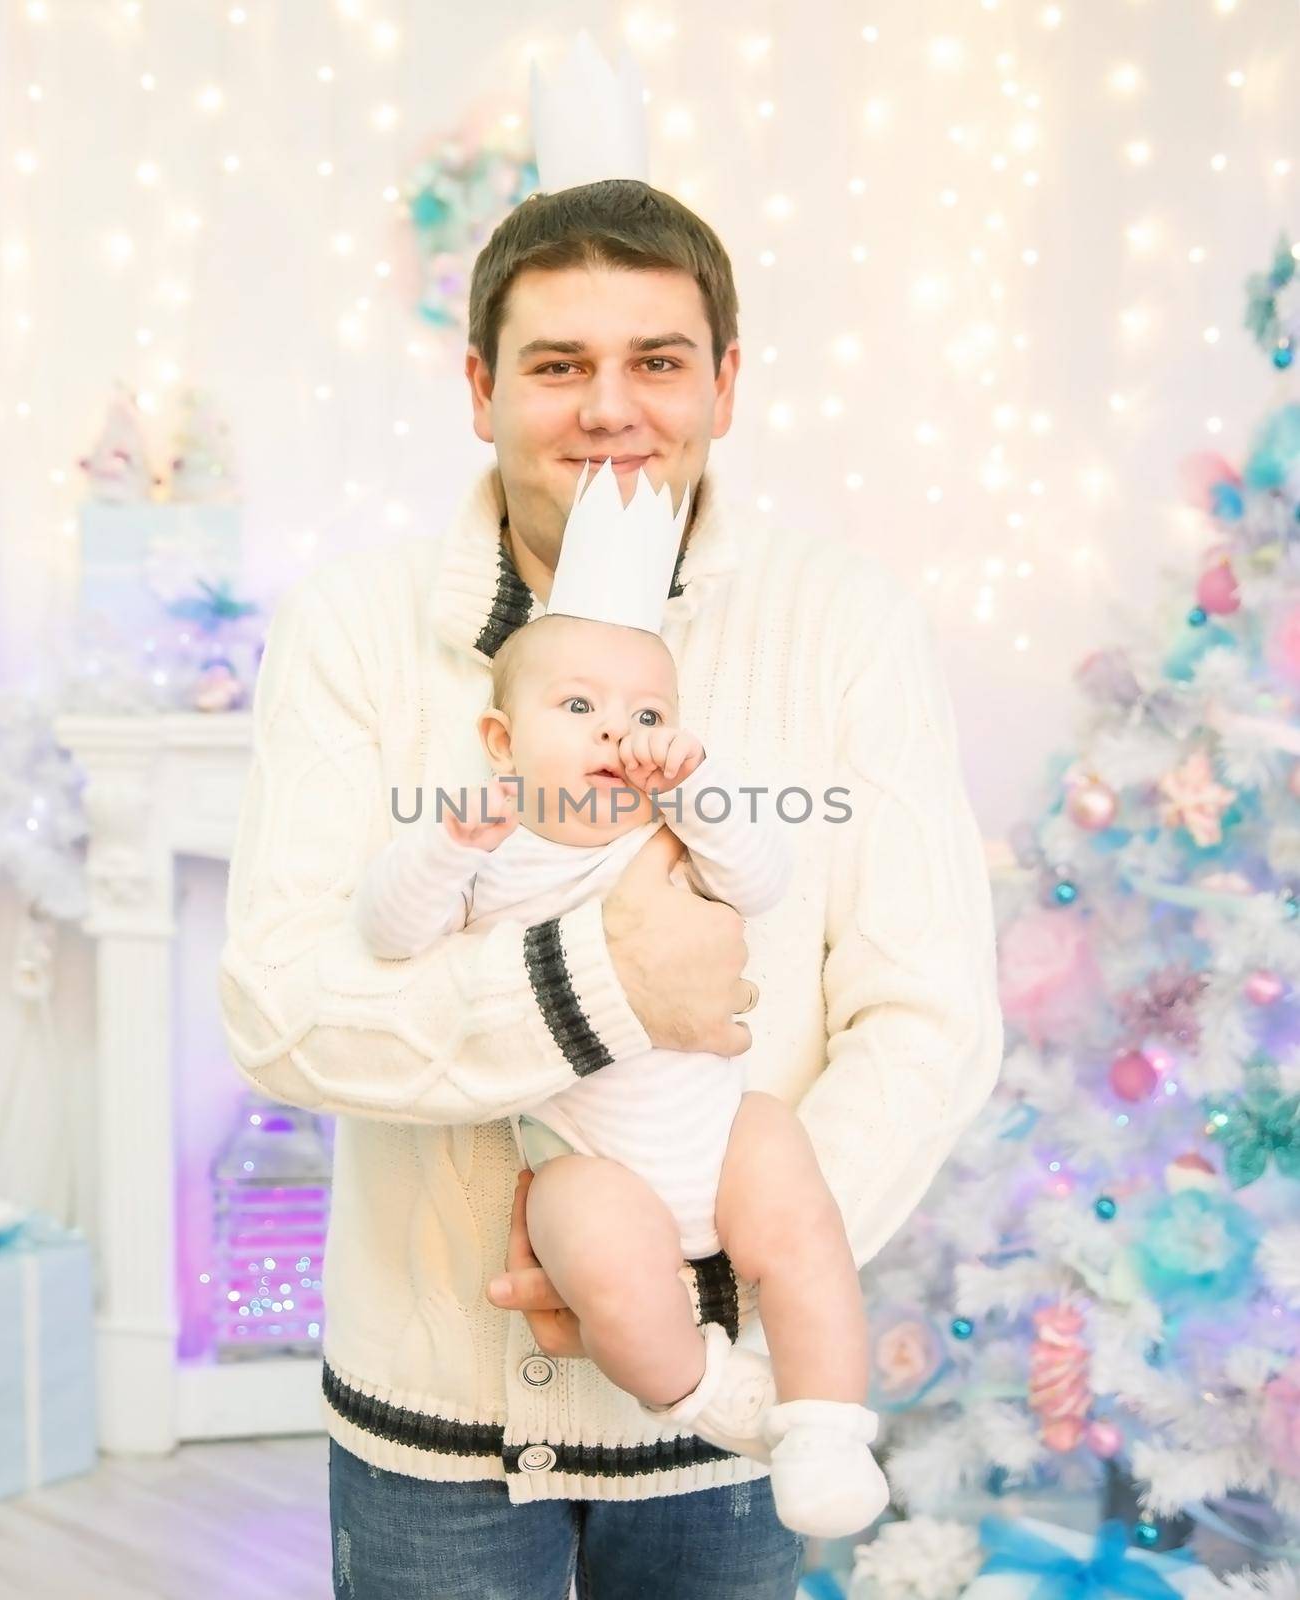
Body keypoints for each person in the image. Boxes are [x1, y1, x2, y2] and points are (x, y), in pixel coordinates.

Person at [218, 175, 1004, 1598]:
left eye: (657, 360)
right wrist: (598, 985)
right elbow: (280, 1010)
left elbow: (929, 1012)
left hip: (731, 1425)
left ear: (725, 383)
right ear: (479, 386)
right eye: (558, 364)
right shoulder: (349, 628)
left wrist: (707, 1271)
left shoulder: (843, 622)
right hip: (433, 1429)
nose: (609, 407)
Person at [351, 551, 892, 1539]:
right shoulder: (491, 851)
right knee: (594, 1252)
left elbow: (765, 879)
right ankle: (703, 1391)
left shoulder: (678, 827)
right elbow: (386, 931)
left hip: (721, 1131)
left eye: (649, 715)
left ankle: (823, 1421)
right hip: (592, 1158)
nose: (619, 729)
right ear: (500, 741)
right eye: (579, 706)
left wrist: (700, 790)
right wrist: (444, 848)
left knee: (797, 1199)